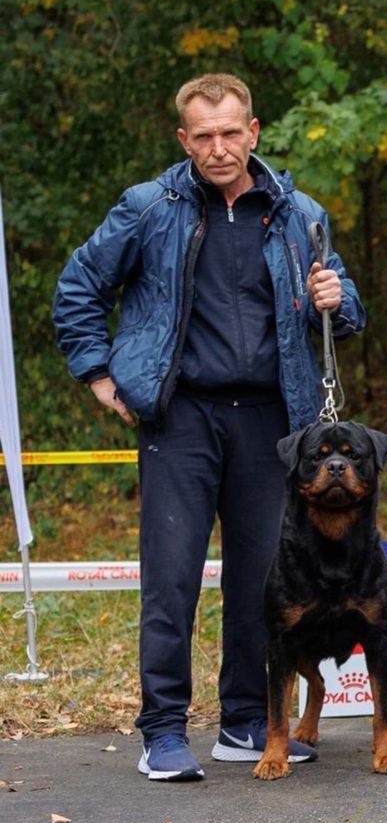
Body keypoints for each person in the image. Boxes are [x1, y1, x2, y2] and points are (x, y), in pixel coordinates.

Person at [53, 73, 366, 781]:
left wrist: (338, 297)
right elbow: (78, 288)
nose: (219, 147)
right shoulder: (147, 207)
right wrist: (101, 377)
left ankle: (245, 721)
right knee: (172, 581)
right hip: (181, 416)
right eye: (204, 136)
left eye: (231, 132)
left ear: (253, 132)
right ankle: (162, 731)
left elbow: (342, 313)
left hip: (269, 421)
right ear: (183, 139)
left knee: (262, 584)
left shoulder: (299, 212)